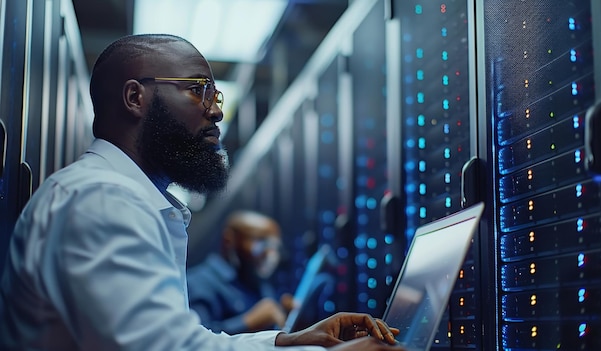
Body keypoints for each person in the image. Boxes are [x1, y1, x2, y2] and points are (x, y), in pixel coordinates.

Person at [0, 33, 405, 351]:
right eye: (198, 90)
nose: (215, 110)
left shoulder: (121, 199)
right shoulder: (101, 199)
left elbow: (184, 342)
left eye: (216, 94)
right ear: (135, 98)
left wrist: (292, 341)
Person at [187, 210, 294, 334]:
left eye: (274, 246)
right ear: (229, 240)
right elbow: (194, 340)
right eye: (260, 242)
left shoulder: (258, 282)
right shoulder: (199, 282)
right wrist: (248, 322)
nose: (269, 254)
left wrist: (285, 315)